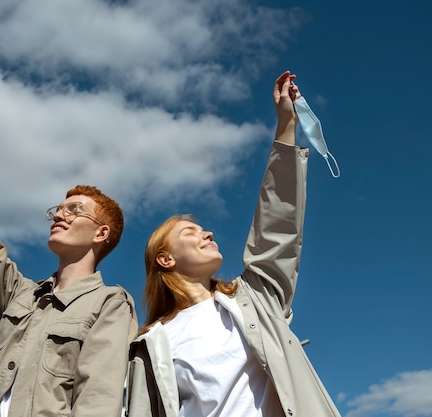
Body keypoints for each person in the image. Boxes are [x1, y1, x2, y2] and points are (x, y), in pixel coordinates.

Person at [125, 71, 342, 417]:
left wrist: (286, 123)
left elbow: (276, 230)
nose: (206, 233)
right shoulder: (151, 343)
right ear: (165, 260)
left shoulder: (255, 300)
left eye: (203, 229)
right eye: (189, 232)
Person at [0, 84, 138, 417]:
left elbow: (98, 400)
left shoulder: (110, 304)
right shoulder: (20, 297)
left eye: (73, 210)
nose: (58, 214)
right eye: (57, 209)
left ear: (102, 233)